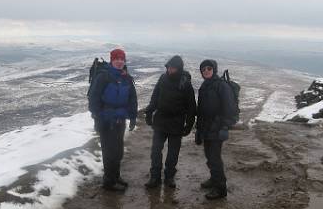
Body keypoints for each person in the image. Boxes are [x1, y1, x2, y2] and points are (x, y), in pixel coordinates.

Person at [88, 48, 138, 191]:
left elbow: (132, 99)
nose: (119, 61)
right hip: (105, 120)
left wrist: (133, 117)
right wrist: (97, 116)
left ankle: (116, 176)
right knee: (109, 152)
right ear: (112, 60)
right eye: (116, 59)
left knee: (118, 151)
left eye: (122, 59)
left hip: (120, 120)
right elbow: (94, 98)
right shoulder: (103, 77)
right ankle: (109, 182)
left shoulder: (126, 78)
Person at [144, 55, 196, 188]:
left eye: (173, 68)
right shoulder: (162, 78)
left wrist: (189, 125)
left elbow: (191, 107)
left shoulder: (186, 84)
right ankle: (155, 177)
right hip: (160, 121)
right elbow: (155, 97)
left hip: (176, 123)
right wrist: (149, 112)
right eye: (168, 67)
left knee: (173, 153)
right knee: (156, 151)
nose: (169, 70)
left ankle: (169, 177)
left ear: (179, 69)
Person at [196, 59, 235, 199]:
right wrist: (198, 130)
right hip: (206, 129)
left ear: (214, 69)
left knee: (215, 158)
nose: (206, 71)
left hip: (217, 129)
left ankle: (220, 189)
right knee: (209, 156)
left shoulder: (221, 86)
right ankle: (214, 179)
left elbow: (229, 109)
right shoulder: (205, 86)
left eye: (209, 68)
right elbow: (200, 111)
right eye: (203, 69)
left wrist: (224, 127)